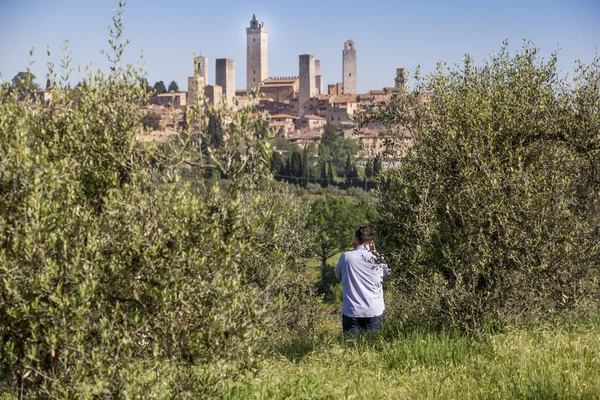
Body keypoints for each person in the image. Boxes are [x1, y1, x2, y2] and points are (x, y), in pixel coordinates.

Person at [334, 226, 390, 337]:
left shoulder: (346, 257)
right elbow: (387, 274)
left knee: (351, 347)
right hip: (374, 309)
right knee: (372, 346)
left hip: (352, 310)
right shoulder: (378, 258)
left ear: (356, 239)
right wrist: (375, 252)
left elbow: (337, 276)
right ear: (371, 242)